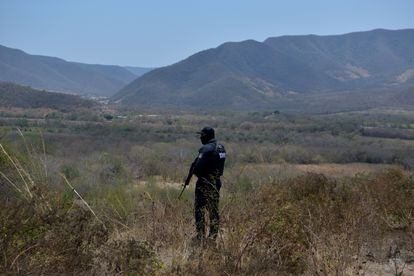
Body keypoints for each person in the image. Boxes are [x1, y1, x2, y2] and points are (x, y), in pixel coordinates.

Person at [187, 126, 226, 242]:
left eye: (201, 135)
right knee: (213, 210)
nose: (200, 138)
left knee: (200, 209)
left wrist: (198, 175)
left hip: (204, 182)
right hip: (216, 182)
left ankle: (200, 236)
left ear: (206, 136)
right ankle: (213, 236)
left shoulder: (206, 149)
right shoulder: (221, 148)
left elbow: (197, 168)